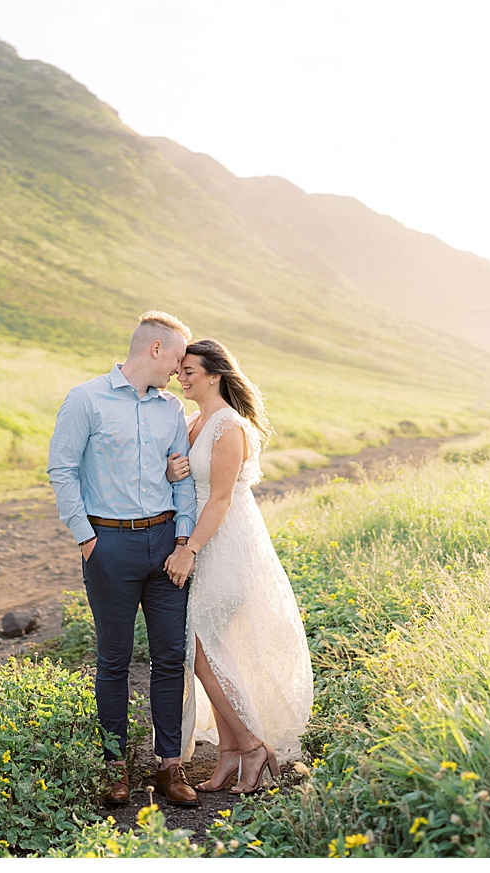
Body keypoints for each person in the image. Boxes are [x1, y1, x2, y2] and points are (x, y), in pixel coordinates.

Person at [47, 310, 200, 809]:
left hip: (164, 545)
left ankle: (169, 767)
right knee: (113, 660)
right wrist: (87, 538)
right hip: (108, 546)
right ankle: (116, 768)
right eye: (178, 357)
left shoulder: (171, 410)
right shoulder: (85, 399)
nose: (180, 369)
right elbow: (62, 470)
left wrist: (182, 541)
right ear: (155, 349)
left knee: (170, 658)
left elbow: (183, 482)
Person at [163, 339, 314, 794]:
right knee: (205, 651)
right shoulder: (194, 422)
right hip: (203, 542)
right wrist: (173, 474)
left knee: (203, 652)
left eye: (190, 370)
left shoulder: (229, 426)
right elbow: (187, 485)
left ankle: (251, 746)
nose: (182, 377)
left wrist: (188, 549)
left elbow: (222, 497)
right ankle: (231, 752)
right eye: (180, 370)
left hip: (226, 547)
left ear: (215, 374)